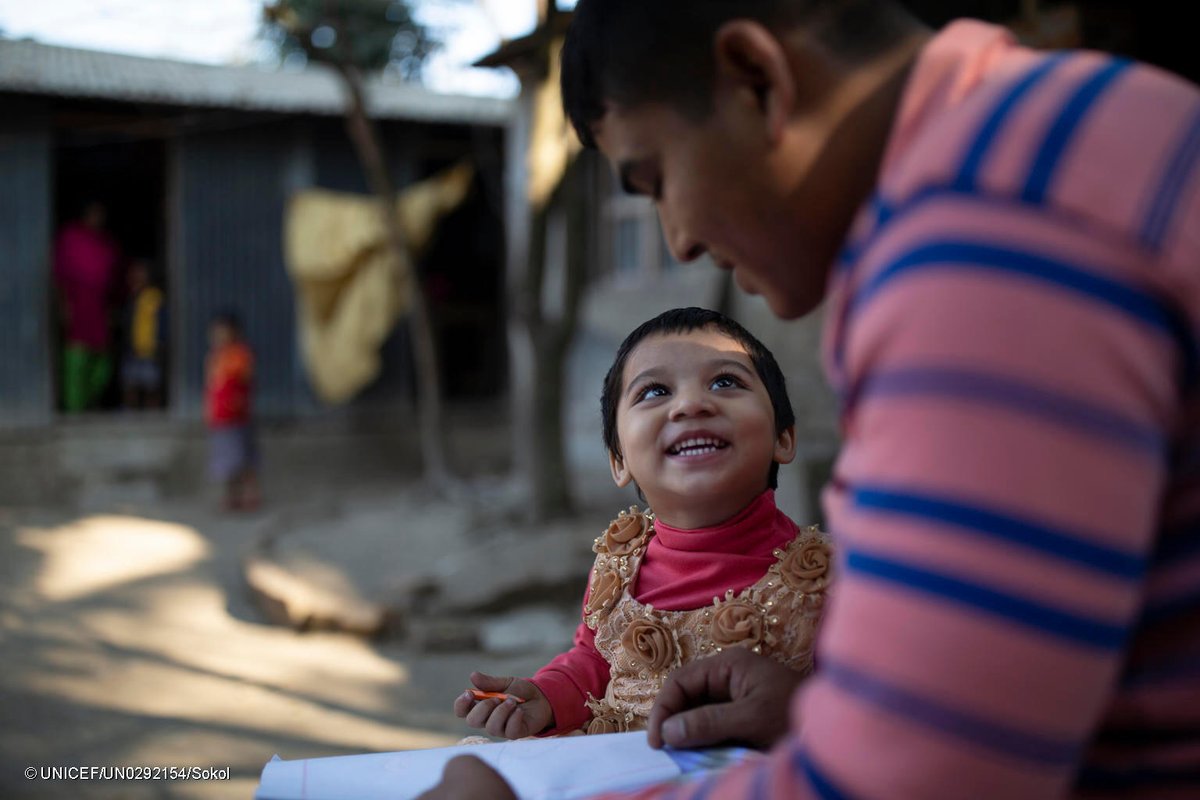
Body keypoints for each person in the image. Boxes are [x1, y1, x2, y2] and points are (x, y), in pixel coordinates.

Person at [419, 0, 1200, 798]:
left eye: (658, 178)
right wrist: (821, 713)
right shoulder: (1084, 122)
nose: (678, 238)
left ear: (757, 79)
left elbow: (916, 779)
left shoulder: (983, 247)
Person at [454, 307, 831, 740]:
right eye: (654, 391)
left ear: (783, 438)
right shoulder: (617, 567)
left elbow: (865, 709)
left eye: (725, 382)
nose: (691, 404)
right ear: (619, 461)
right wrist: (547, 697)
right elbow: (595, 661)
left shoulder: (830, 581)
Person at [53, 200, 121, 412]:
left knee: (103, 364)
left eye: (100, 215)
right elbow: (60, 276)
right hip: (77, 309)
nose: (97, 219)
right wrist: (64, 306)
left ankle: (90, 401)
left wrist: (112, 309)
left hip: (100, 311)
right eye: (93, 214)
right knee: (76, 361)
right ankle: (74, 407)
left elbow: (116, 280)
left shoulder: (108, 244)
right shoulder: (71, 238)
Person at [206, 311, 260, 511]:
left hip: (238, 418)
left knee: (244, 460)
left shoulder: (241, 355)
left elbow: (246, 379)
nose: (218, 337)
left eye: (222, 332)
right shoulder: (215, 357)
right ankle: (232, 497)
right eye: (215, 333)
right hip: (220, 419)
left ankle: (250, 496)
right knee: (227, 463)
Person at [121, 259, 167, 409]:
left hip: (150, 349)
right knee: (130, 383)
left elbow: (162, 321)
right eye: (134, 274)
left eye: (141, 273)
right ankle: (131, 412)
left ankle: (152, 412)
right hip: (133, 349)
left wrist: (160, 342)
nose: (137, 277)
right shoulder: (131, 298)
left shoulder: (155, 297)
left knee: (151, 385)